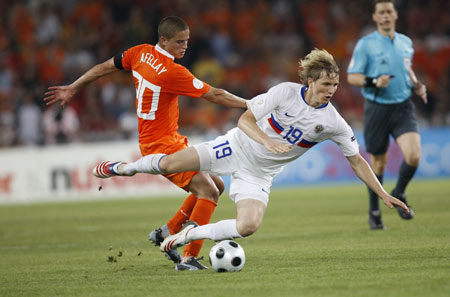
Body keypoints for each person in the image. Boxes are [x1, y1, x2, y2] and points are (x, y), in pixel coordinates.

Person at [92, 49, 409, 255]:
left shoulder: (332, 122)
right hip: (235, 146)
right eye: (326, 84)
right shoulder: (284, 93)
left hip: (259, 173)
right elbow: (244, 119)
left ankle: (185, 238)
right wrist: (267, 141)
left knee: (248, 226)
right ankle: (123, 168)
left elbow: (356, 161)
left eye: (335, 85)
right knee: (171, 163)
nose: (331, 90)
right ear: (310, 81)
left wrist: (383, 193)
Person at [44, 16, 247, 270]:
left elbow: (104, 67)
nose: (184, 47)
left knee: (216, 185)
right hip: (162, 145)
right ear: (163, 40)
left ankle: (167, 231)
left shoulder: (139, 53)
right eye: (179, 42)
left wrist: (75, 86)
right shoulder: (173, 72)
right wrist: (250, 104)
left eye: (187, 41)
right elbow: (215, 94)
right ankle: (188, 257)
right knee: (208, 192)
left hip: (165, 139)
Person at [347, 0, 427, 230]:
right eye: (381, 12)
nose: (385, 16)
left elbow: (406, 68)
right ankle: (374, 211)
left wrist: (416, 84)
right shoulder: (365, 44)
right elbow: (352, 76)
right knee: (378, 164)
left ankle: (399, 191)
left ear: (395, 15)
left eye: (389, 12)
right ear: (374, 17)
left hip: (403, 107)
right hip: (377, 108)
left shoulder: (405, 42)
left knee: (413, 155)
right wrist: (373, 81)